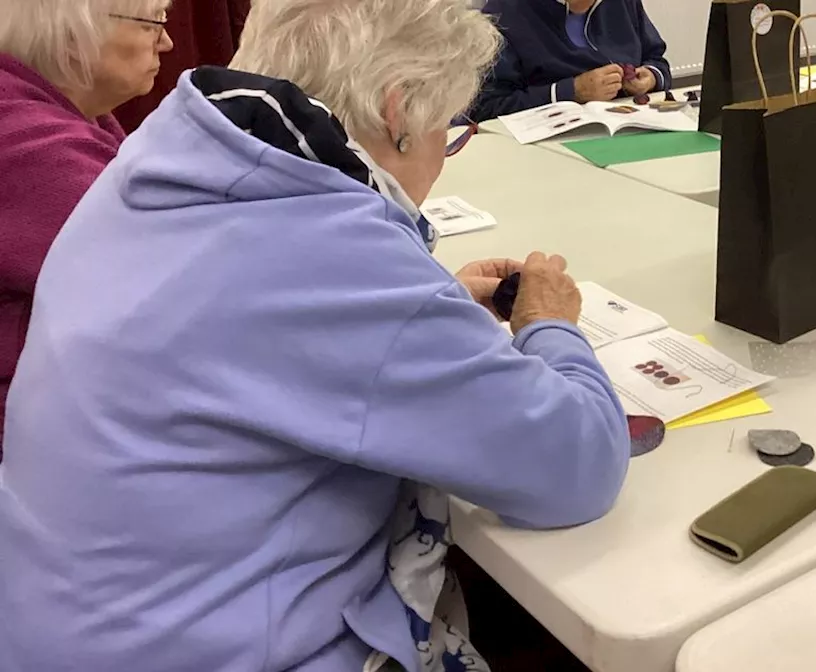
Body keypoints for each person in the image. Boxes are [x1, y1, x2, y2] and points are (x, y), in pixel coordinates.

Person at [0, 0, 631, 670]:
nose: (444, 156)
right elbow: (577, 465)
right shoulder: (328, 253)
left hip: (67, 623)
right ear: (400, 113)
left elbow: (270, 319)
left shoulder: (155, 165)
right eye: (449, 133)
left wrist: (427, 303)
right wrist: (549, 325)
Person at [0, 0, 173, 454]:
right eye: (154, 21)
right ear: (76, 33)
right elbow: (166, 298)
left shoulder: (50, 116)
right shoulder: (44, 154)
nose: (169, 42)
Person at [470, 0, 672, 121]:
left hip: (629, 129)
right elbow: (488, 108)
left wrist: (650, 77)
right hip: (542, 153)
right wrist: (572, 91)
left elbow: (656, 59)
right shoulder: (504, 13)